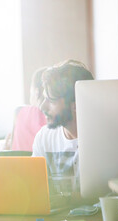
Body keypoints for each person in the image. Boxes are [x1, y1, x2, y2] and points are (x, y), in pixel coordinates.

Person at [32, 60, 94, 198]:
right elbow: (35, 191)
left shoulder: (104, 139)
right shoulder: (44, 138)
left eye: (51, 101)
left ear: (76, 104)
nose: (42, 107)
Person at [3, 67, 47, 151]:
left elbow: (13, 150)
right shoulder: (56, 116)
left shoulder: (19, 111)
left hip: (18, 164)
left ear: (36, 92)